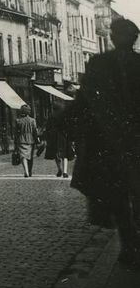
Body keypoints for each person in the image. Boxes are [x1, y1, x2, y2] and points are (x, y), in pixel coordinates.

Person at [62, 18, 140, 271]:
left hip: (109, 143)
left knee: (117, 196)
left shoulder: (99, 64)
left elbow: (83, 102)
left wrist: (63, 122)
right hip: (133, 142)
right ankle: (131, 243)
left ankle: (129, 245)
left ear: (114, 37)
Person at [43, 113, 74, 178]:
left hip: (54, 137)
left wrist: (47, 137)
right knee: (65, 154)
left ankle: (60, 169)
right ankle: (64, 172)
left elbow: (47, 128)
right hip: (64, 137)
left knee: (56, 154)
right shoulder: (66, 116)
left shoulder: (52, 116)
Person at [13, 105, 39, 177]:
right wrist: (37, 141)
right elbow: (35, 132)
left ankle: (26, 171)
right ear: (28, 112)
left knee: (23, 156)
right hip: (31, 140)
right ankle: (30, 171)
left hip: (21, 140)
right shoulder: (32, 120)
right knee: (30, 157)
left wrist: (15, 143)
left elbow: (16, 133)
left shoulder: (18, 121)